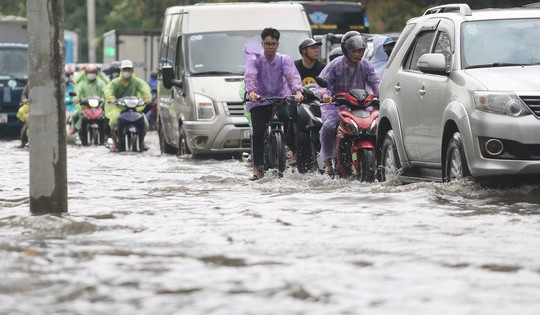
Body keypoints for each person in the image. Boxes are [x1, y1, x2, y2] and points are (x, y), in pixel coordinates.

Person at [317, 31, 381, 175]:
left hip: (361, 105)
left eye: (361, 51)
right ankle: (328, 162)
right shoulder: (335, 65)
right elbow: (322, 85)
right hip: (336, 106)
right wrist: (325, 94)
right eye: (355, 51)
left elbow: (376, 82)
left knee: (376, 126)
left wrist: (382, 94)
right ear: (347, 50)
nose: (358, 54)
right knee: (328, 127)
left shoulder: (366, 65)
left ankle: (381, 161)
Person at [244, 27, 303, 180]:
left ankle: (285, 148)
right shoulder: (254, 60)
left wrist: (297, 92)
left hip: (280, 98)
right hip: (259, 100)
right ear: (262, 44)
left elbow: (292, 76)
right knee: (257, 133)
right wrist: (251, 92)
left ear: (278, 44)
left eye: (274, 44)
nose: (270, 47)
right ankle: (256, 169)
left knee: (287, 118)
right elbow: (250, 77)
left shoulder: (285, 60)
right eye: (267, 43)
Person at [104, 59, 152, 152]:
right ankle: (114, 142)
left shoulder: (137, 82)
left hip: (134, 106)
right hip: (118, 107)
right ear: (121, 70)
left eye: (129, 69)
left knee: (144, 121)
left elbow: (144, 89)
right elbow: (109, 90)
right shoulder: (115, 82)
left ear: (132, 70)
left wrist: (147, 98)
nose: (127, 72)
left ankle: (142, 141)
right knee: (114, 121)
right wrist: (112, 98)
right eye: (125, 69)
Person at [70, 64, 107, 136]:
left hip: (98, 106)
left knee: (107, 116)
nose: (91, 74)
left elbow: (106, 91)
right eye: (89, 73)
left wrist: (107, 99)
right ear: (86, 73)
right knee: (75, 115)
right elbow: (77, 92)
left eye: (93, 72)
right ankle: (73, 128)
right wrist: (76, 99)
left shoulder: (100, 83)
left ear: (96, 73)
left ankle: (107, 133)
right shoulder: (82, 83)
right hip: (84, 106)